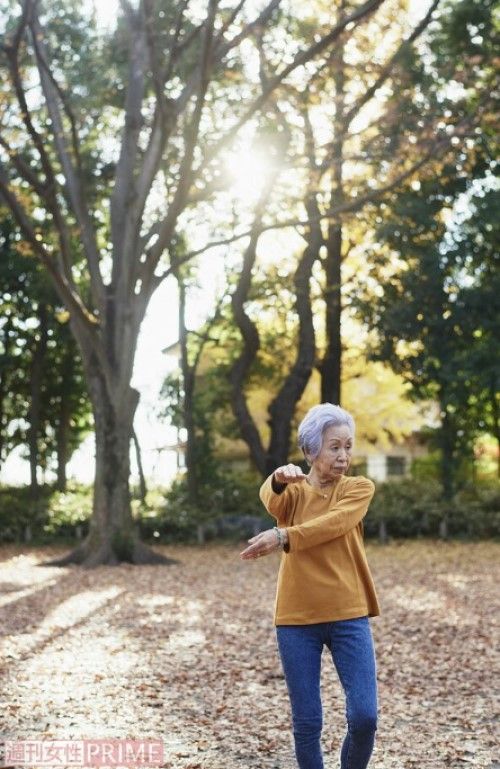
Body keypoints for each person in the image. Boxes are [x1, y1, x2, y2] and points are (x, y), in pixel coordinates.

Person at [240, 403, 381, 769]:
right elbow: (271, 500)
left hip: (349, 613)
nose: (343, 456)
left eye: (348, 447)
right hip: (296, 618)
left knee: (365, 716)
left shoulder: (358, 489)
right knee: (307, 723)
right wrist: (277, 478)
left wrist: (283, 537)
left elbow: (333, 524)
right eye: (334, 447)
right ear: (310, 451)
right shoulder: (295, 494)